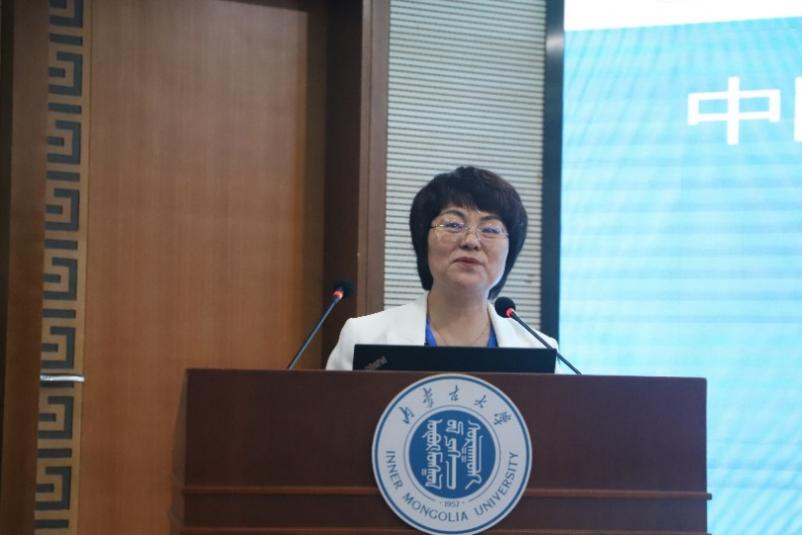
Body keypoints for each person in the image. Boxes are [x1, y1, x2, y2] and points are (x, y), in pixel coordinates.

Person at [325, 165, 556, 370]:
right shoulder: (365, 337)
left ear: (510, 251)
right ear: (422, 240)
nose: (471, 241)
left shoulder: (538, 350)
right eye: (453, 225)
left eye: (490, 229)